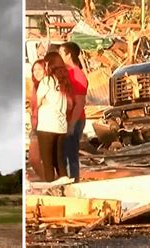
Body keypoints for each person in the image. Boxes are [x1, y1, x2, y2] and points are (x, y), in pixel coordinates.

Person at [36, 52, 73, 182]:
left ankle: (50, 190)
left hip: (47, 125)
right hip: (61, 126)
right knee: (59, 161)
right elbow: (70, 104)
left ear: (49, 64)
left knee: (47, 163)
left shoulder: (47, 81)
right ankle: (66, 186)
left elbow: (38, 101)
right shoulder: (64, 81)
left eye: (45, 64)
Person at [58, 42, 88, 182]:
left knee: (70, 155)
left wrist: (71, 125)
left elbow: (79, 103)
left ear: (69, 54)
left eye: (61, 53)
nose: (59, 56)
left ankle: (73, 183)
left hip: (75, 120)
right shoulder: (66, 73)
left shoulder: (78, 75)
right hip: (66, 119)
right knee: (63, 154)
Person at [28, 59, 46, 181]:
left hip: (47, 127)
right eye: (34, 69)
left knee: (45, 159)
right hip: (36, 126)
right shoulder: (35, 86)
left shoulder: (49, 85)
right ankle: (47, 181)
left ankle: (51, 183)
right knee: (33, 159)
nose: (36, 72)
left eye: (40, 69)